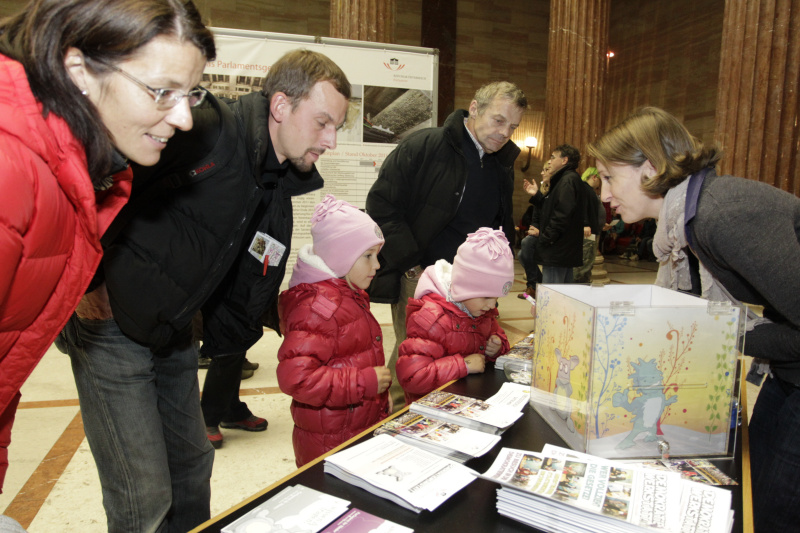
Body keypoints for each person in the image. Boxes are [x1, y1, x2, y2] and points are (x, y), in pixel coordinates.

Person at [57, 48, 348, 531]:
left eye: (336, 126)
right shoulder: (206, 129)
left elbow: (252, 267)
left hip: (172, 328)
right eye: (323, 123)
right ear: (281, 106)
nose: (331, 140)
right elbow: (84, 177)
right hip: (110, 326)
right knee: (143, 494)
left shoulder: (274, 180)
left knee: (192, 466)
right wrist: (87, 283)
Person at [0, 0, 212, 504]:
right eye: (162, 92)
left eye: (190, 94)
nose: (183, 118)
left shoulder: (74, 168)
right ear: (79, 72)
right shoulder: (13, 170)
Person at [586, 106, 800, 531]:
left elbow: (709, 324)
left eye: (609, 177)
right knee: (752, 492)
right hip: (787, 371)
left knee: (777, 511)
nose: (603, 194)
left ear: (650, 168)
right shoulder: (683, 227)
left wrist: (721, 335)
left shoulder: (719, 215)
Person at [366, 81, 526, 410]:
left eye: (513, 127)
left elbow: (501, 221)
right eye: (498, 120)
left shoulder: (501, 162)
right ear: (475, 108)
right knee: (416, 356)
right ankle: (397, 417)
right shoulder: (425, 145)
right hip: (424, 276)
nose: (505, 133)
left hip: (476, 284)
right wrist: (410, 263)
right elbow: (382, 204)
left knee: (466, 355)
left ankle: (449, 419)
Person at [276, 195, 391, 467]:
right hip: (329, 446)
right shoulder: (319, 309)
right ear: (341, 257)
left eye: (377, 255)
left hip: (354, 432)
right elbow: (297, 378)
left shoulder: (348, 296)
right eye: (368, 256)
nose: (377, 265)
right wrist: (362, 382)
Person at [397, 228, 513, 404]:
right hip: (433, 408)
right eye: (486, 297)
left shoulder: (482, 311)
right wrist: (463, 366)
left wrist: (497, 346)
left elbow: (499, 338)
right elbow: (412, 377)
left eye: (496, 298)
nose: (492, 305)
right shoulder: (431, 320)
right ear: (465, 287)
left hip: (466, 399)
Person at [527, 144, 587, 284]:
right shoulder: (565, 179)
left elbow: (562, 214)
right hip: (562, 248)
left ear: (564, 160)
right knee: (562, 292)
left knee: (553, 291)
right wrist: (537, 196)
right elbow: (551, 207)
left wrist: (546, 238)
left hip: (557, 248)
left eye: (553, 157)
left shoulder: (567, 180)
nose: (550, 161)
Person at [518, 162, 552, 297]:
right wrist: (534, 227)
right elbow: (536, 216)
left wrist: (540, 231)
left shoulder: (558, 190)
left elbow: (555, 216)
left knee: (525, 247)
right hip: (542, 233)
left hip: (553, 234)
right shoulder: (543, 191)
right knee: (522, 254)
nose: (542, 173)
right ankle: (536, 285)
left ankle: (534, 286)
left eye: (546, 170)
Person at [573, 167, 605, 282]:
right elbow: (581, 207)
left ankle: (584, 283)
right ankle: (579, 286)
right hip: (587, 232)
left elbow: (591, 210)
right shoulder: (584, 188)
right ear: (594, 177)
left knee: (589, 262)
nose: (599, 184)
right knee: (584, 262)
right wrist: (585, 224)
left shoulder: (588, 189)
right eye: (600, 180)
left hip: (592, 229)